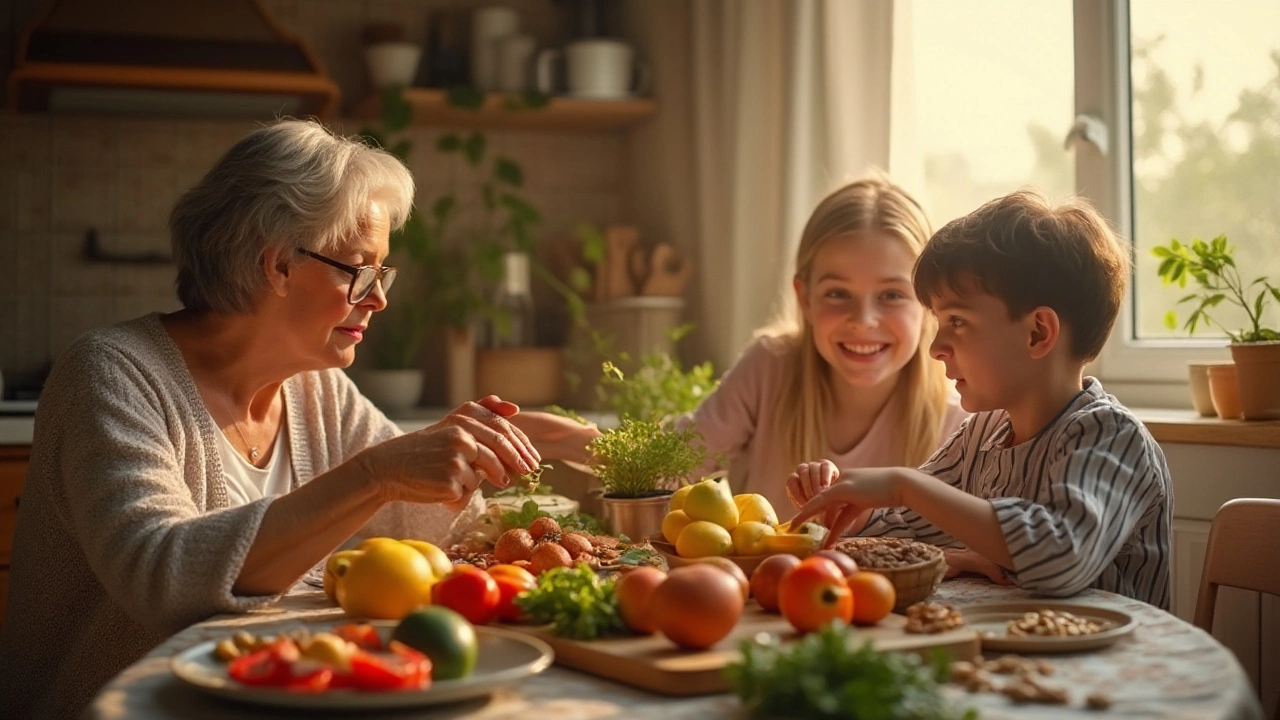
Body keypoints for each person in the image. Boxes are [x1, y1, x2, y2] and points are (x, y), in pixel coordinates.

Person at [0, 119, 542, 720]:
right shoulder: (109, 375)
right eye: (358, 269)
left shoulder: (316, 389)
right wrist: (376, 475)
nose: (379, 298)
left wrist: (484, 450)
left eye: (381, 272)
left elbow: (425, 517)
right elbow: (161, 580)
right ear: (277, 265)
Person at [788, 189, 1173, 608]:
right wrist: (851, 507)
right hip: (1016, 660)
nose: (936, 347)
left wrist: (903, 485)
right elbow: (911, 525)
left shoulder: (1111, 437)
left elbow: (1060, 557)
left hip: (1113, 668)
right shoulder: (983, 434)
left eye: (956, 320)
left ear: (1038, 333)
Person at [517, 175, 968, 516]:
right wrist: (542, 435)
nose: (863, 321)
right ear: (804, 298)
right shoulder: (772, 368)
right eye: (837, 293)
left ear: (927, 305)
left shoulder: (959, 419)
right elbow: (669, 464)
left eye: (891, 295)